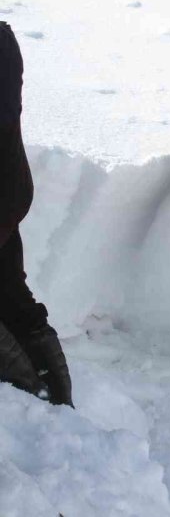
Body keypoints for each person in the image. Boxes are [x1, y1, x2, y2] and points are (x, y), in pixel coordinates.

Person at [0, 21, 73, 406]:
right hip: (10, 185)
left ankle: (31, 392)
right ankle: (53, 397)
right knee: (10, 290)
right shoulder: (5, 40)